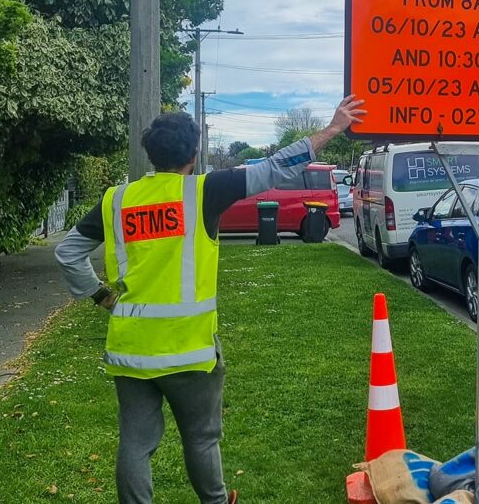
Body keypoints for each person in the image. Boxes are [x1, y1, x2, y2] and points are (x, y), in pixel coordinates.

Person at [55, 95, 366, 504]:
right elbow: (273, 166)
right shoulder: (204, 191)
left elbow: (67, 251)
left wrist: (100, 296)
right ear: (194, 154)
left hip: (130, 349)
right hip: (189, 350)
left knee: (136, 443)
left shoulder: (117, 200)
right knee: (201, 439)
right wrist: (330, 129)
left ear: (150, 153)